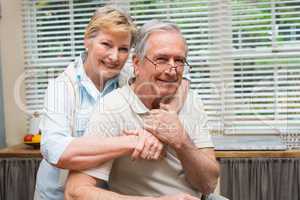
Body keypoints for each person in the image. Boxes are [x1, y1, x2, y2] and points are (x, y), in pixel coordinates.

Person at [35, 6, 191, 200]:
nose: (114, 57)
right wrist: (133, 142)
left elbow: (182, 80)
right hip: (58, 194)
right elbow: (57, 151)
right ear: (87, 40)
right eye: (106, 44)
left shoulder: (129, 79)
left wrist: (168, 117)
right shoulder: (61, 87)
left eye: (123, 48)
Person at [64, 20, 220, 200]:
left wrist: (182, 140)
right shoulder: (112, 108)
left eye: (179, 60)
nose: (172, 70)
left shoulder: (192, 100)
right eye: (161, 60)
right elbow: (75, 192)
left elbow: (208, 184)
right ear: (136, 64)